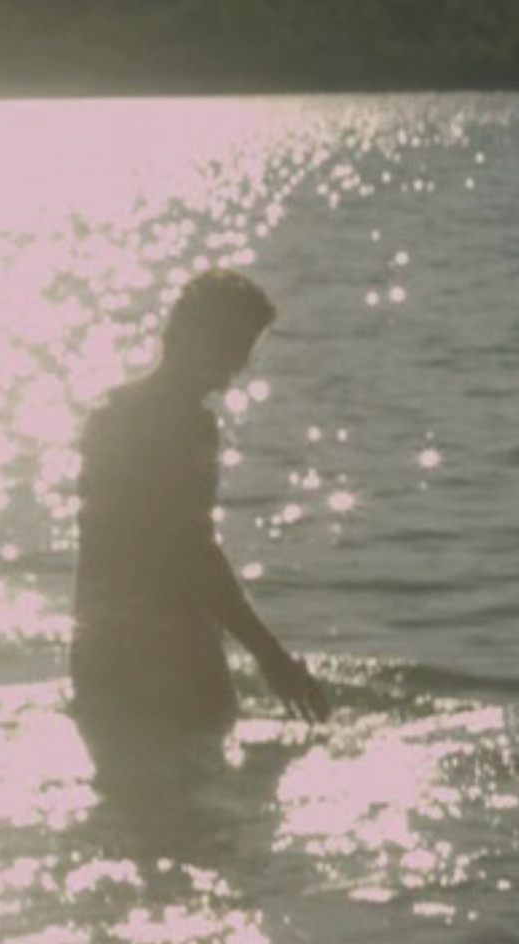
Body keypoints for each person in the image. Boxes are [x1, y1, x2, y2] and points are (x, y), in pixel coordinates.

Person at [71, 268, 329, 770]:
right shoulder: (189, 426)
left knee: (122, 792)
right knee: (208, 796)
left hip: (98, 646)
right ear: (194, 334)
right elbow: (191, 551)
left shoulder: (108, 411)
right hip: (171, 650)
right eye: (235, 344)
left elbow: (102, 539)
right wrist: (271, 658)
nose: (240, 364)